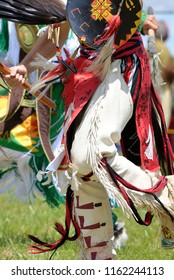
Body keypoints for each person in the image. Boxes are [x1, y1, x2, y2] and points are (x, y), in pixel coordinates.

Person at [3, 0, 174, 260]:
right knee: (80, 163)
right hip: (87, 67)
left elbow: (116, 8)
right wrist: (26, 66)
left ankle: (168, 200)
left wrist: (135, 19)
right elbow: (63, 24)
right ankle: (99, 259)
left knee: (95, 152)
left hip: (120, 63)